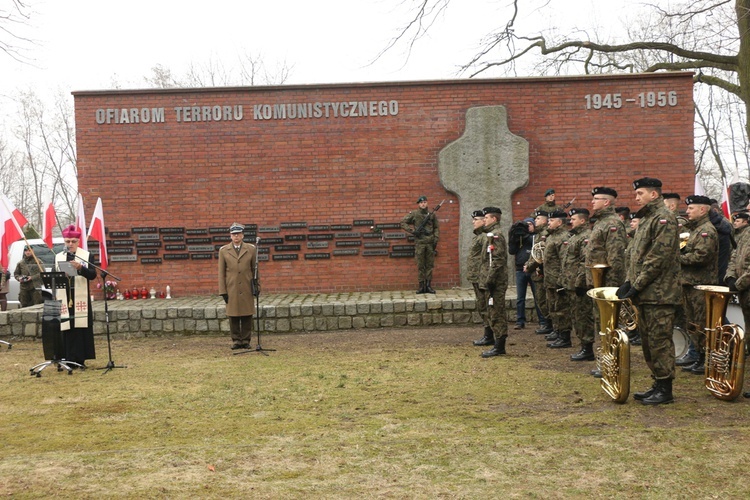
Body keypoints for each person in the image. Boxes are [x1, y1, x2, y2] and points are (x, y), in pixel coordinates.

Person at [618, 177, 681, 405]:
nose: (636, 198)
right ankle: (657, 382)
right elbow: (636, 256)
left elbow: (657, 259)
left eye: (640, 193)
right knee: (647, 342)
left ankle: (665, 388)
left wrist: (637, 285)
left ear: (653, 194)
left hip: (659, 294)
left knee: (659, 341)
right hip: (647, 293)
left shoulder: (663, 218)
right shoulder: (648, 219)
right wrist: (628, 281)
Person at [678, 195, 719, 375]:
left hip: (701, 284)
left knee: (703, 324)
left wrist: (677, 259)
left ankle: (707, 360)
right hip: (690, 283)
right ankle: (699, 357)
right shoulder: (695, 230)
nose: (687, 211)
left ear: (703, 210)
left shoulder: (706, 231)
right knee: (693, 323)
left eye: (691, 208)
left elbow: (701, 257)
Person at [55, 225, 97, 368]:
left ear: (78, 242)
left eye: (73, 241)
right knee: (66, 327)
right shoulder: (58, 256)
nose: (70, 244)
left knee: (79, 328)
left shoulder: (86, 255)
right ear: (64, 242)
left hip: (80, 297)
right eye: (67, 241)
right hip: (64, 297)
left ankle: (80, 359)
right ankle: (66, 357)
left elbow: (93, 275)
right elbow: (54, 277)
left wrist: (81, 268)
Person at [218, 223, 258, 350]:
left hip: (246, 285)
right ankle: (236, 340)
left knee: (247, 314)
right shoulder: (224, 251)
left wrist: (257, 286)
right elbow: (221, 272)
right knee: (233, 315)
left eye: (239, 234)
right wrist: (222, 290)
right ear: (230, 235)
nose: (236, 236)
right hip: (232, 287)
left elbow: (255, 270)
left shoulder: (251, 249)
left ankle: (246, 340)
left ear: (242, 235)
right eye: (234, 234)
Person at [563, 208, 595, 360]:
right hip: (571, 283)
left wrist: (580, 283)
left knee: (583, 317)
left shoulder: (586, 237)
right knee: (577, 317)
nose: (571, 222)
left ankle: (587, 348)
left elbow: (584, 262)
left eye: (574, 219)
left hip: (579, 285)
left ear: (582, 220)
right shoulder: (575, 236)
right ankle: (584, 346)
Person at [724, 211, 750, 398]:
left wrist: (739, 283)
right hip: (745, 293)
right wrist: (731, 277)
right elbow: (735, 257)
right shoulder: (745, 234)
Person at [478, 207, 509, 357]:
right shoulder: (489, 234)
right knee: (492, 312)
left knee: (497, 312)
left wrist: (490, 279)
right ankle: (496, 342)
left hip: (496, 281)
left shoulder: (496, 235)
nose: (484, 220)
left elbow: (497, 260)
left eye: (486, 218)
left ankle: (499, 345)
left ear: (494, 219)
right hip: (490, 280)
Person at [542, 211, 572, 348]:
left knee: (562, 309)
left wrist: (562, 280)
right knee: (553, 307)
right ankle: (558, 331)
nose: (549, 222)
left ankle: (565, 337)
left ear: (559, 222)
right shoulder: (551, 236)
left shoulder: (563, 237)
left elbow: (564, 261)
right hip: (550, 279)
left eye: (552, 220)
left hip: (558, 280)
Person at [401, 195, 440, 294]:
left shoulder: (432, 215)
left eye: (425, 202)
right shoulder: (414, 214)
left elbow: (436, 227)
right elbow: (403, 222)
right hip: (420, 243)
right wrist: (413, 231)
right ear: (419, 204)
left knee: (429, 265)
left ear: (427, 203)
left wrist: (436, 238)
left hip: (430, 243)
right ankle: (421, 286)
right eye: (421, 202)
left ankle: (428, 286)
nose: (423, 204)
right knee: (420, 265)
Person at [468, 209, 494, 346]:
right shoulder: (478, 236)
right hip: (476, 276)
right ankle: (488, 334)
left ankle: (489, 335)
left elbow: (488, 258)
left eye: (476, 219)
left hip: (481, 277)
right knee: (481, 306)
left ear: (483, 221)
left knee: (485, 307)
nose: (473, 222)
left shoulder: (484, 237)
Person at [524, 211, 552, 334]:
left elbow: (541, 256)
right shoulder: (538, 234)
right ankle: (548, 324)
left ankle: (551, 325)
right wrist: (528, 263)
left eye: (539, 218)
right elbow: (534, 253)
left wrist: (529, 266)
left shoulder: (545, 234)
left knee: (545, 300)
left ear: (545, 221)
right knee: (541, 300)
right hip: (536, 272)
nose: (535, 221)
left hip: (542, 272)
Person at [508, 216, 536, 330]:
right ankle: (520, 320)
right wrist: (512, 238)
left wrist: (526, 235)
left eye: (530, 224)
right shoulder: (518, 238)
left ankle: (543, 320)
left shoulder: (535, 237)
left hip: (534, 269)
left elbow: (534, 243)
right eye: (526, 225)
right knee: (520, 298)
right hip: (520, 270)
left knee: (537, 296)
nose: (528, 227)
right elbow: (511, 251)